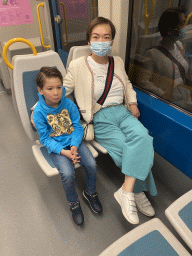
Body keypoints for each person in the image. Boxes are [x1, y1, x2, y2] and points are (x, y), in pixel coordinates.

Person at [32, 17, 157, 225]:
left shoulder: (117, 61)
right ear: (89, 41)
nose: (101, 41)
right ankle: (137, 191)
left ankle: (127, 191)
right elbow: (60, 90)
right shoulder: (78, 65)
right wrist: (36, 108)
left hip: (123, 112)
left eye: (106, 37)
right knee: (127, 148)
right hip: (100, 116)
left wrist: (133, 102)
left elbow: (126, 83)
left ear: (111, 41)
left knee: (144, 139)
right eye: (96, 37)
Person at [33, 67, 103, 226]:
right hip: (57, 147)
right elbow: (44, 139)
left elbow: (78, 127)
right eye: (50, 88)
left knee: (91, 164)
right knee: (68, 174)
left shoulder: (68, 103)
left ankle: (90, 193)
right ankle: (74, 203)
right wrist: (64, 152)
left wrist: (74, 145)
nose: (56, 92)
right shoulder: (38, 112)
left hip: (74, 142)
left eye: (59, 87)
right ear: (41, 90)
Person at [138, 7, 192, 112]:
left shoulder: (179, 45)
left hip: (184, 92)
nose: (184, 27)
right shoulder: (152, 54)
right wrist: (161, 93)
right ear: (170, 31)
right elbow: (142, 81)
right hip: (170, 98)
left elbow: (185, 71)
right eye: (181, 24)